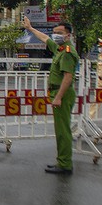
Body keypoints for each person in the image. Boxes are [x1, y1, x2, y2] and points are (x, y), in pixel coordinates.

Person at [23, 16, 79, 174]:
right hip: (57, 91)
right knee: (60, 129)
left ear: (68, 35)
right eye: (55, 32)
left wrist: (58, 97)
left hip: (63, 93)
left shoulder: (67, 52)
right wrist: (30, 28)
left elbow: (68, 77)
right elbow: (46, 39)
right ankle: (62, 161)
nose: (55, 35)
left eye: (59, 33)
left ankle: (65, 164)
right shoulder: (60, 49)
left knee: (63, 131)